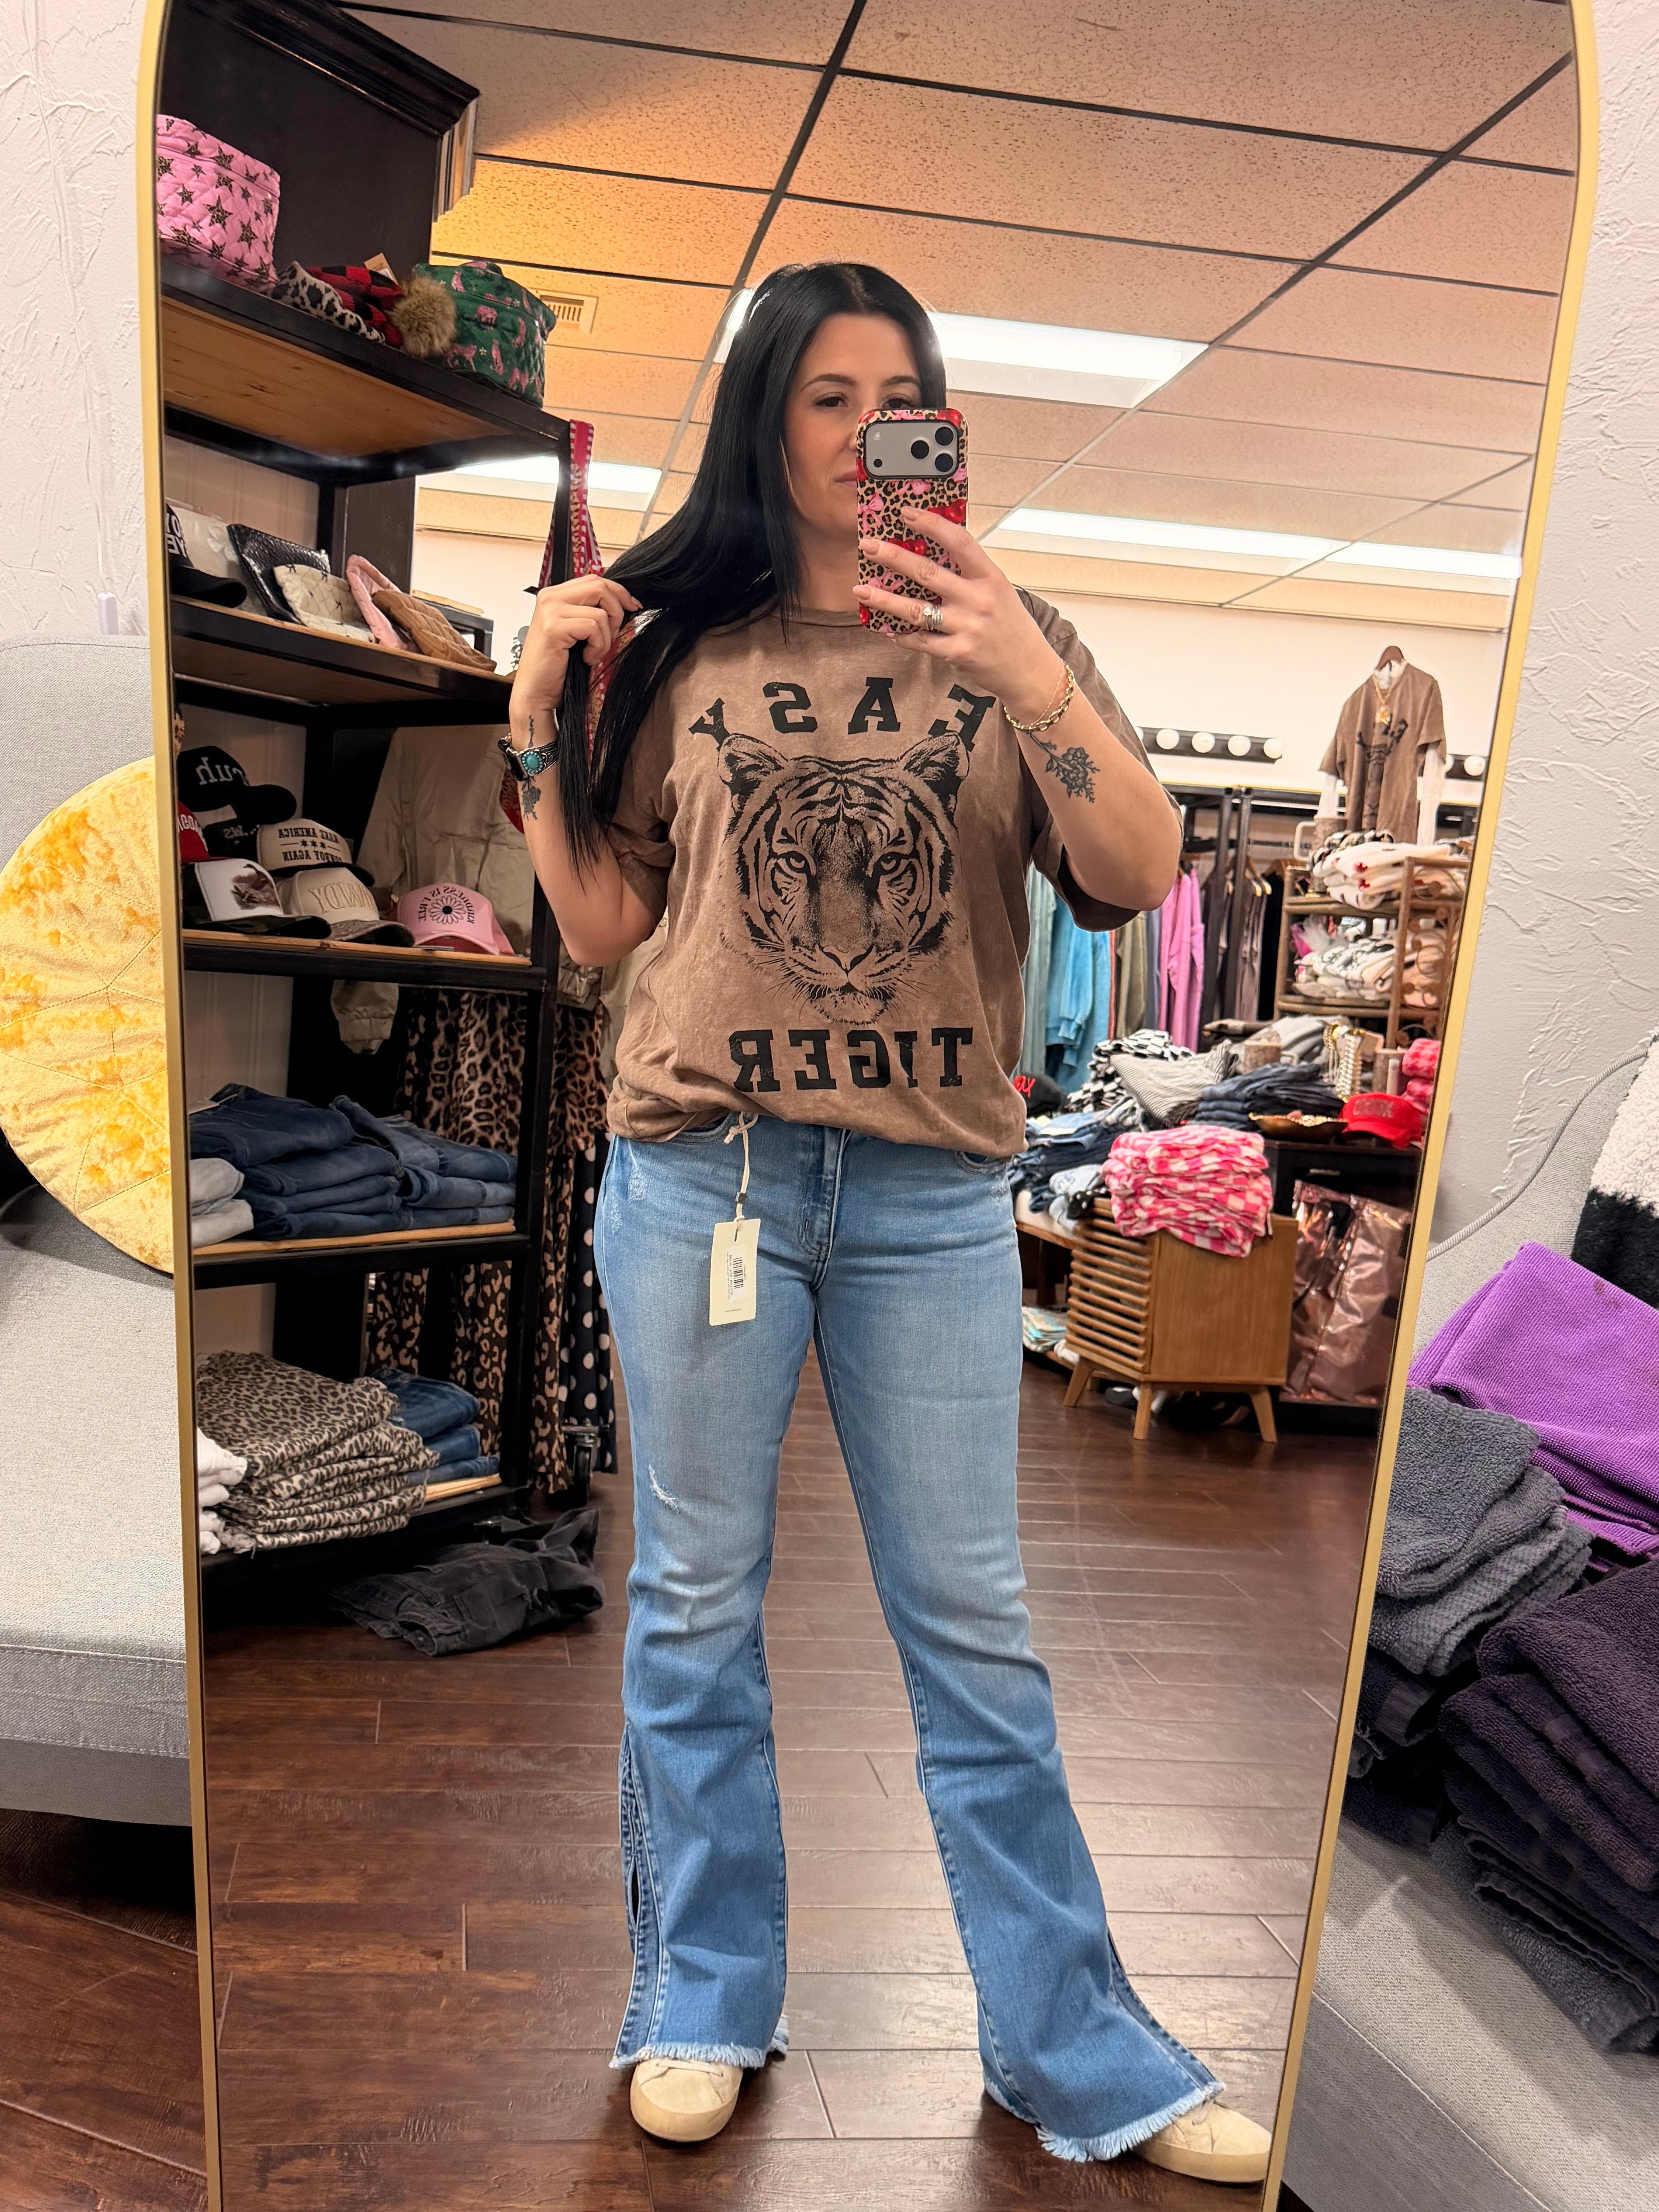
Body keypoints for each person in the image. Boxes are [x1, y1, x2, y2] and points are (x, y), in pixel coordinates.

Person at [505, 261, 1272, 2186]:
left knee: (973, 1630)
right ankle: (699, 1995)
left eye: (898, 398)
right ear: (766, 417)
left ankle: (1073, 2047)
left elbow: (1134, 869)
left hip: (932, 1193)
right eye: (827, 397)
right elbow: (602, 925)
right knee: (693, 1604)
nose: (865, 436)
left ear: (942, 426)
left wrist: (1021, 666)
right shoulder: (680, 645)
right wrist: (531, 725)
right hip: (706, 1176)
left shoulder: (1013, 635)